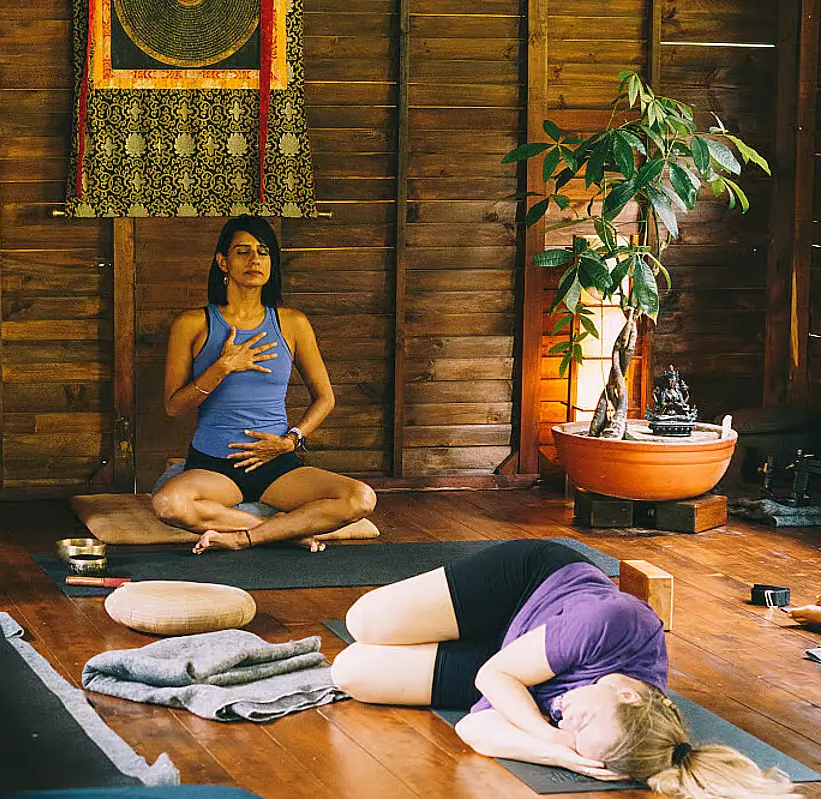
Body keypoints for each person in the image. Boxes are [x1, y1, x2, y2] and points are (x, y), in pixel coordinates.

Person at [330, 540, 800, 797]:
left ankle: (462, 638)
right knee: (366, 622)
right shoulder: (615, 624)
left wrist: (556, 749)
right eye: (583, 720)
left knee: (350, 672)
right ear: (627, 694)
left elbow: (475, 728)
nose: (568, 718)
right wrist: (541, 727)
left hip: (510, 658)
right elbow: (494, 677)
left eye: (575, 734)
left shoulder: (591, 731)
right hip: (524, 589)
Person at [152, 215, 376, 554]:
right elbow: (173, 407)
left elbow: (325, 398)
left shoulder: (292, 323)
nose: (255, 259)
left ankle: (244, 537)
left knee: (360, 498)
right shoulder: (192, 324)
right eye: (243, 251)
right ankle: (287, 532)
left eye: (263, 251)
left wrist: (291, 441)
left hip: (276, 463)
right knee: (168, 504)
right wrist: (223, 367)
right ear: (222, 262)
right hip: (215, 466)